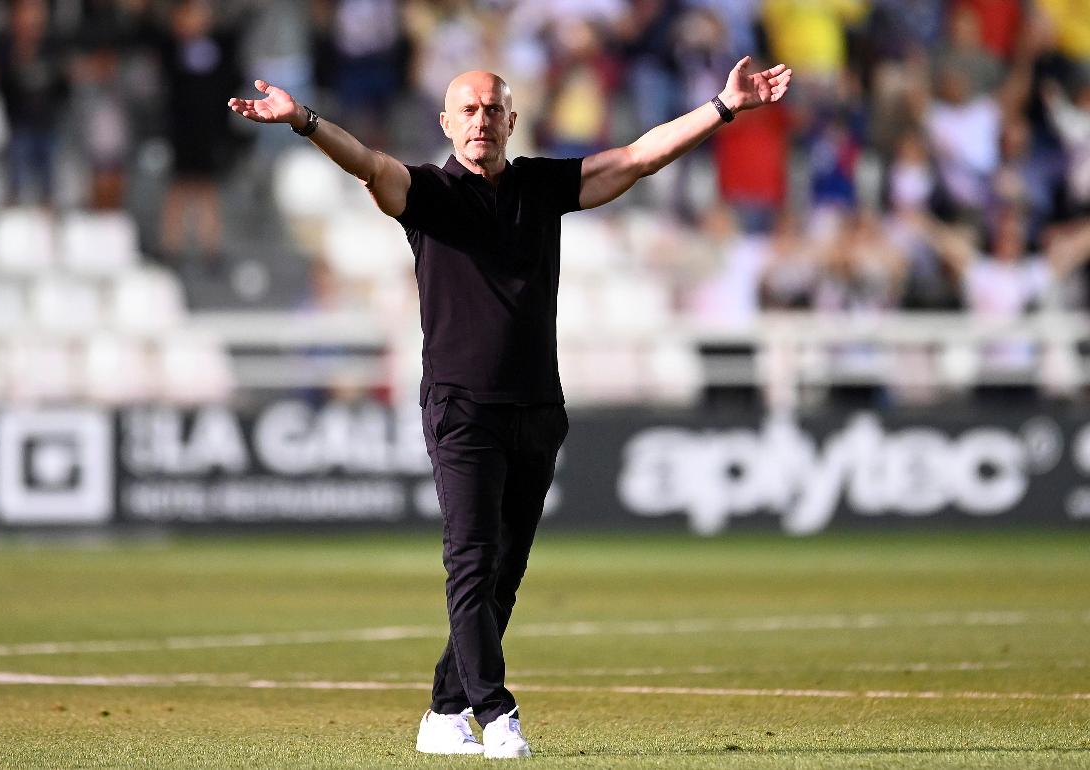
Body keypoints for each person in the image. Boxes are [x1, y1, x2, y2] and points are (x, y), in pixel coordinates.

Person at [229, 59, 791, 758]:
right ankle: (495, 714)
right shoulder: (430, 193)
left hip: (536, 408)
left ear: (511, 121)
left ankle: (443, 714)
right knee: (470, 561)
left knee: (503, 576)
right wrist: (306, 122)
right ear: (445, 122)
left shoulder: (537, 186)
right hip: (462, 408)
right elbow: (370, 165)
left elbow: (640, 157)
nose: (480, 120)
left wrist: (722, 107)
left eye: (492, 109)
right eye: (466, 109)